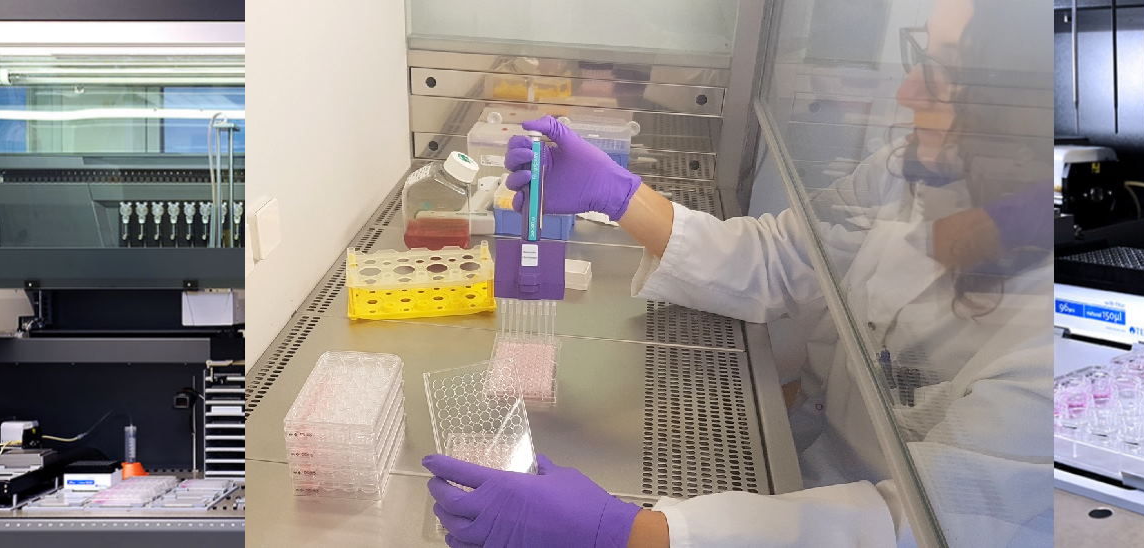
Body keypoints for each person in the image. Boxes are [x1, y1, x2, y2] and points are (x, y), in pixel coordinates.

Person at [423, 1, 1051, 546]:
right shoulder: (910, 171)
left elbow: (908, 529)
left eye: (943, 74)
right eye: (921, 56)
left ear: (1026, 113)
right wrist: (620, 196)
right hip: (797, 466)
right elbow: (781, 256)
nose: (908, 92)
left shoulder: (1057, 351)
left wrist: (625, 533)